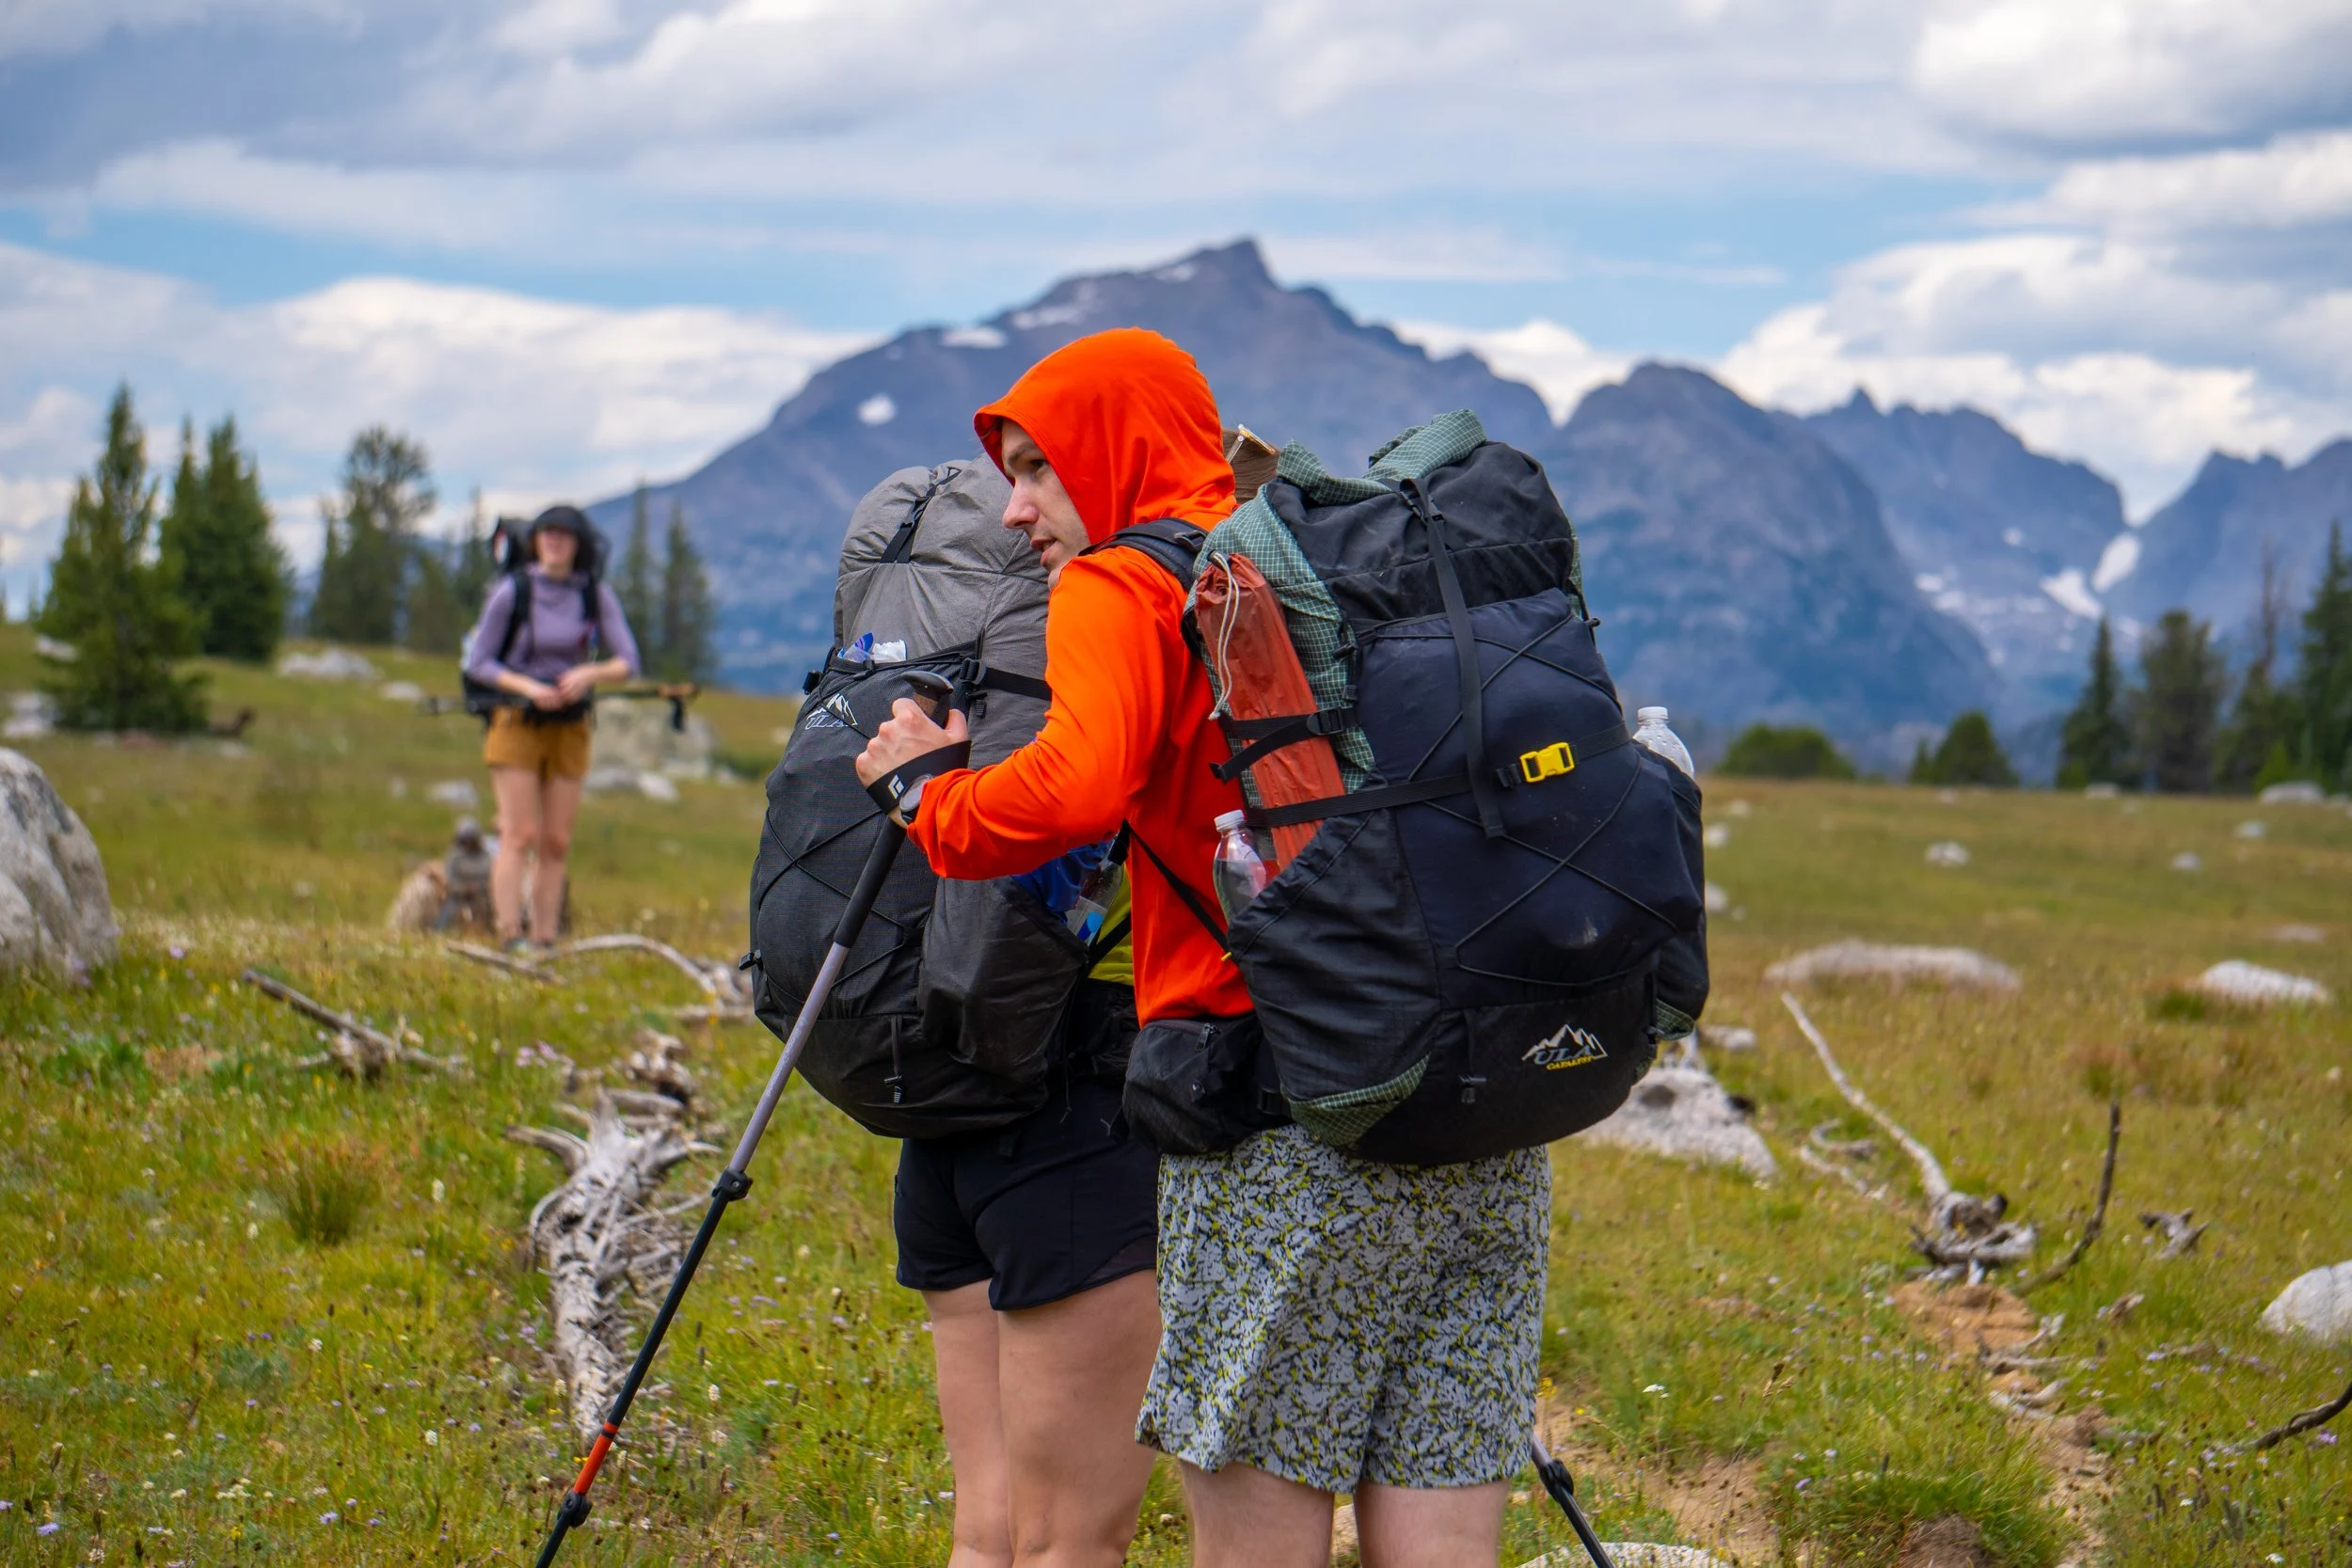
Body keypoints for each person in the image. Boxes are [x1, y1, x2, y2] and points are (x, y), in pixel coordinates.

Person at [855, 327, 1551, 1568]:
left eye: (1037, 469)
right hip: (1474, 1099)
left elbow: (1076, 790)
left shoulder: (1127, 580)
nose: (1015, 512)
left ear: (1112, 453)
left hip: (1281, 1119)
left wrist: (929, 796)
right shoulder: (1304, 560)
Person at [462, 504, 639, 949]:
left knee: (555, 840)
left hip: (570, 726)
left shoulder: (595, 595)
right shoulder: (511, 592)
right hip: (515, 722)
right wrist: (527, 686)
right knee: (517, 834)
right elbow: (479, 661)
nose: (556, 541)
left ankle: (544, 939)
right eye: (548, 533)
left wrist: (585, 676)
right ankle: (508, 935)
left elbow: (627, 662)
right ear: (535, 541)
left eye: (565, 534)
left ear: (578, 545)